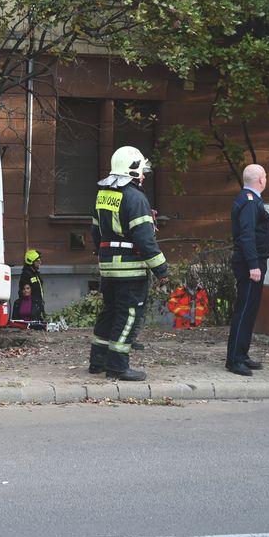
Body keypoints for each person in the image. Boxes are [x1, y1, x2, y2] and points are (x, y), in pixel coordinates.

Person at [89, 146, 168, 381]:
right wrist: (162, 269)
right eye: (142, 170)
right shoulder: (136, 197)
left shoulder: (103, 194)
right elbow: (145, 239)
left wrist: (104, 254)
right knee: (128, 315)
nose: (143, 175)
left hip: (108, 268)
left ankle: (98, 361)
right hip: (130, 270)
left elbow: (95, 231)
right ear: (133, 170)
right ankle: (117, 366)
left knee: (109, 313)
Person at [225, 164, 269, 376]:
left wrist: (267, 227)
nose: (266, 180)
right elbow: (246, 235)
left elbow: (251, 228)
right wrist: (254, 265)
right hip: (249, 265)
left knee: (249, 310)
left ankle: (242, 354)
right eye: (265, 177)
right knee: (244, 310)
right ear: (261, 180)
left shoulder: (249, 199)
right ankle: (234, 360)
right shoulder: (250, 201)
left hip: (251, 263)